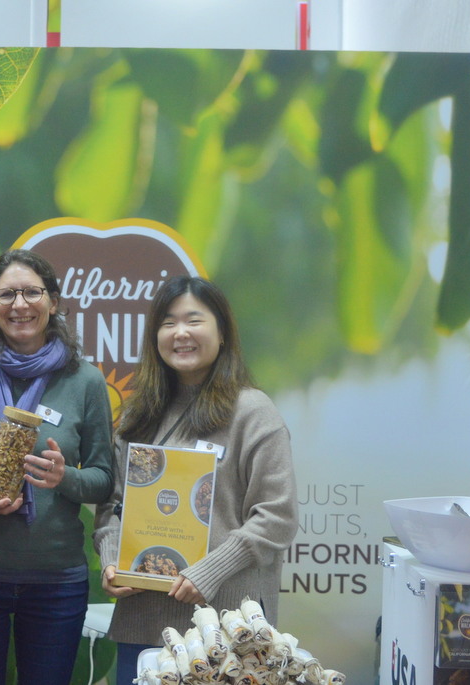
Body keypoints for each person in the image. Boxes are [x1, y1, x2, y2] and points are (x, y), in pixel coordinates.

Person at [93, 275, 298, 680]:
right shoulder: (138, 415)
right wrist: (112, 561)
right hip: (143, 622)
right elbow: (112, 505)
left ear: (222, 333)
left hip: (229, 630)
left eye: (194, 320)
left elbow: (277, 517)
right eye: (168, 323)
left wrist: (209, 572)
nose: (180, 333)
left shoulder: (253, 412)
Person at [0, 249, 115, 685]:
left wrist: (65, 477)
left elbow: (104, 479)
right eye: (7, 294)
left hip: (56, 580)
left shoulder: (85, 381)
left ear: (53, 302)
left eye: (32, 292)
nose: (20, 305)